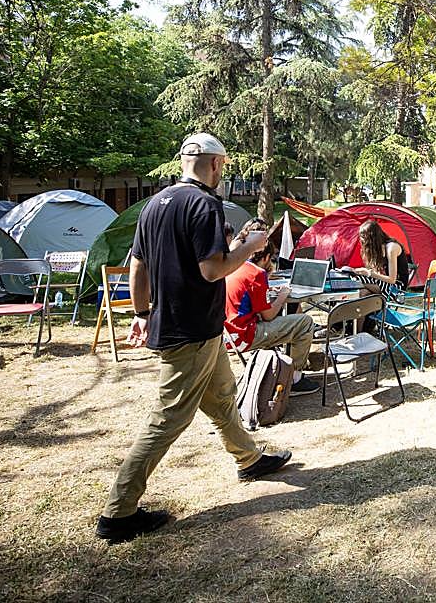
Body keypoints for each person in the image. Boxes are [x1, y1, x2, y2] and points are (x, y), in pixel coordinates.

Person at [95, 133, 292, 544]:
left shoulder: (155, 203)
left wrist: (141, 313)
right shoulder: (204, 203)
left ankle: (249, 459)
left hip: (187, 326)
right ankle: (119, 512)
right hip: (191, 331)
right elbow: (212, 270)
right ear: (217, 165)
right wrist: (252, 245)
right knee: (168, 417)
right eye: (224, 167)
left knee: (222, 398)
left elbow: (137, 266)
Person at [224, 220, 321, 395]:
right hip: (246, 336)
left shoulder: (237, 267)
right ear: (267, 258)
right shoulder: (256, 274)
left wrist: (268, 288)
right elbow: (268, 316)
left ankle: (283, 367)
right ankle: (294, 379)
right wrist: (283, 296)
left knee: (292, 320)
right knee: (305, 322)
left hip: (229, 335)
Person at [349, 219, 412, 297]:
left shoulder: (391, 248)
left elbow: (392, 280)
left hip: (396, 288)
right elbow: (379, 274)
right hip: (383, 284)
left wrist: (369, 273)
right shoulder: (377, 249)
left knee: (357, 280)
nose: (363, 241)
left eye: (364, 238)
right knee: (362, 291)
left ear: (372, 238)